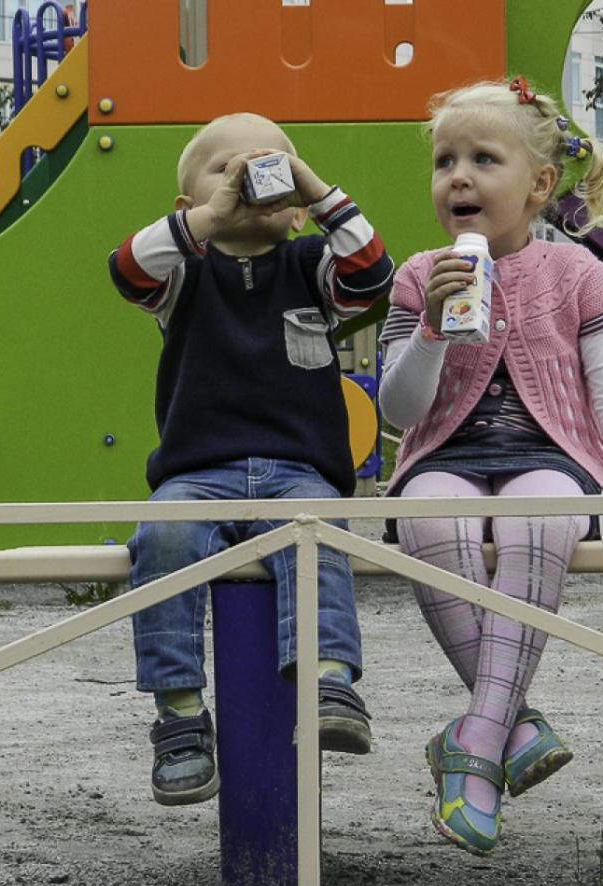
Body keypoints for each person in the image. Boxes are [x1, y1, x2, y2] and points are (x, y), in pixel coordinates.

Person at [377, 77, 603, 854]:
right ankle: (509, 728)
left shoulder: (577, 275)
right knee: (429, 520)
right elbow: (399, 411)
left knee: (541, 518)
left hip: (550, 453)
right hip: (446, 452)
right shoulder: (416, 274)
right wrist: (429, 327)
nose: (457, 176)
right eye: (444, 161)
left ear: (538, 185)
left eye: (482, 159)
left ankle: (473, 749)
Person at [108, 112, 394, 806]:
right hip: (196, 474)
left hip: (300, 473)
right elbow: (126, 268)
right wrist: (214, 215)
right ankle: (178, 716)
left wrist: (314, 189)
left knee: (316, 540)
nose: (249, 173)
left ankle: (328, 682)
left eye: (269, 166)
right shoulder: (184, 277)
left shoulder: (308, 268)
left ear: (297, 211)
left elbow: (371, 273)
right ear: (189, 209)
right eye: (224, 166)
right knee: (163, 537)